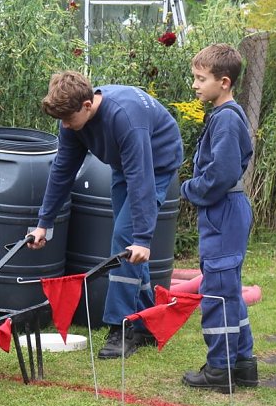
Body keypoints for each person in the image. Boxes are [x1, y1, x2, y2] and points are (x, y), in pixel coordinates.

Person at [28, 71, 183, 358]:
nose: (64, 126)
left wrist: (143, 238)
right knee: (130, 247)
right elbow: (62, 171)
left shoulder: (125, 119)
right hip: (124, 165)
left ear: (87, 106)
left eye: (68, 119)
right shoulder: (73, 120)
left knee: (127, 239)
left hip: (156, 164)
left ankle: (120, 327)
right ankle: (148, 321)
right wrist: (44, 223)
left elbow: (141, 181)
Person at [180, 43, 256, 393]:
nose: (195, 85)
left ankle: (219, 368)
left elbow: (221, 174)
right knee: (229, 289)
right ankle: (243, 363)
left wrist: (190, 189)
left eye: (200, 78)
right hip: (226, 211)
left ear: (224, 82)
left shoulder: (226, 119)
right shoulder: (225, 115)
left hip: (223, 210)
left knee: (217, 293)